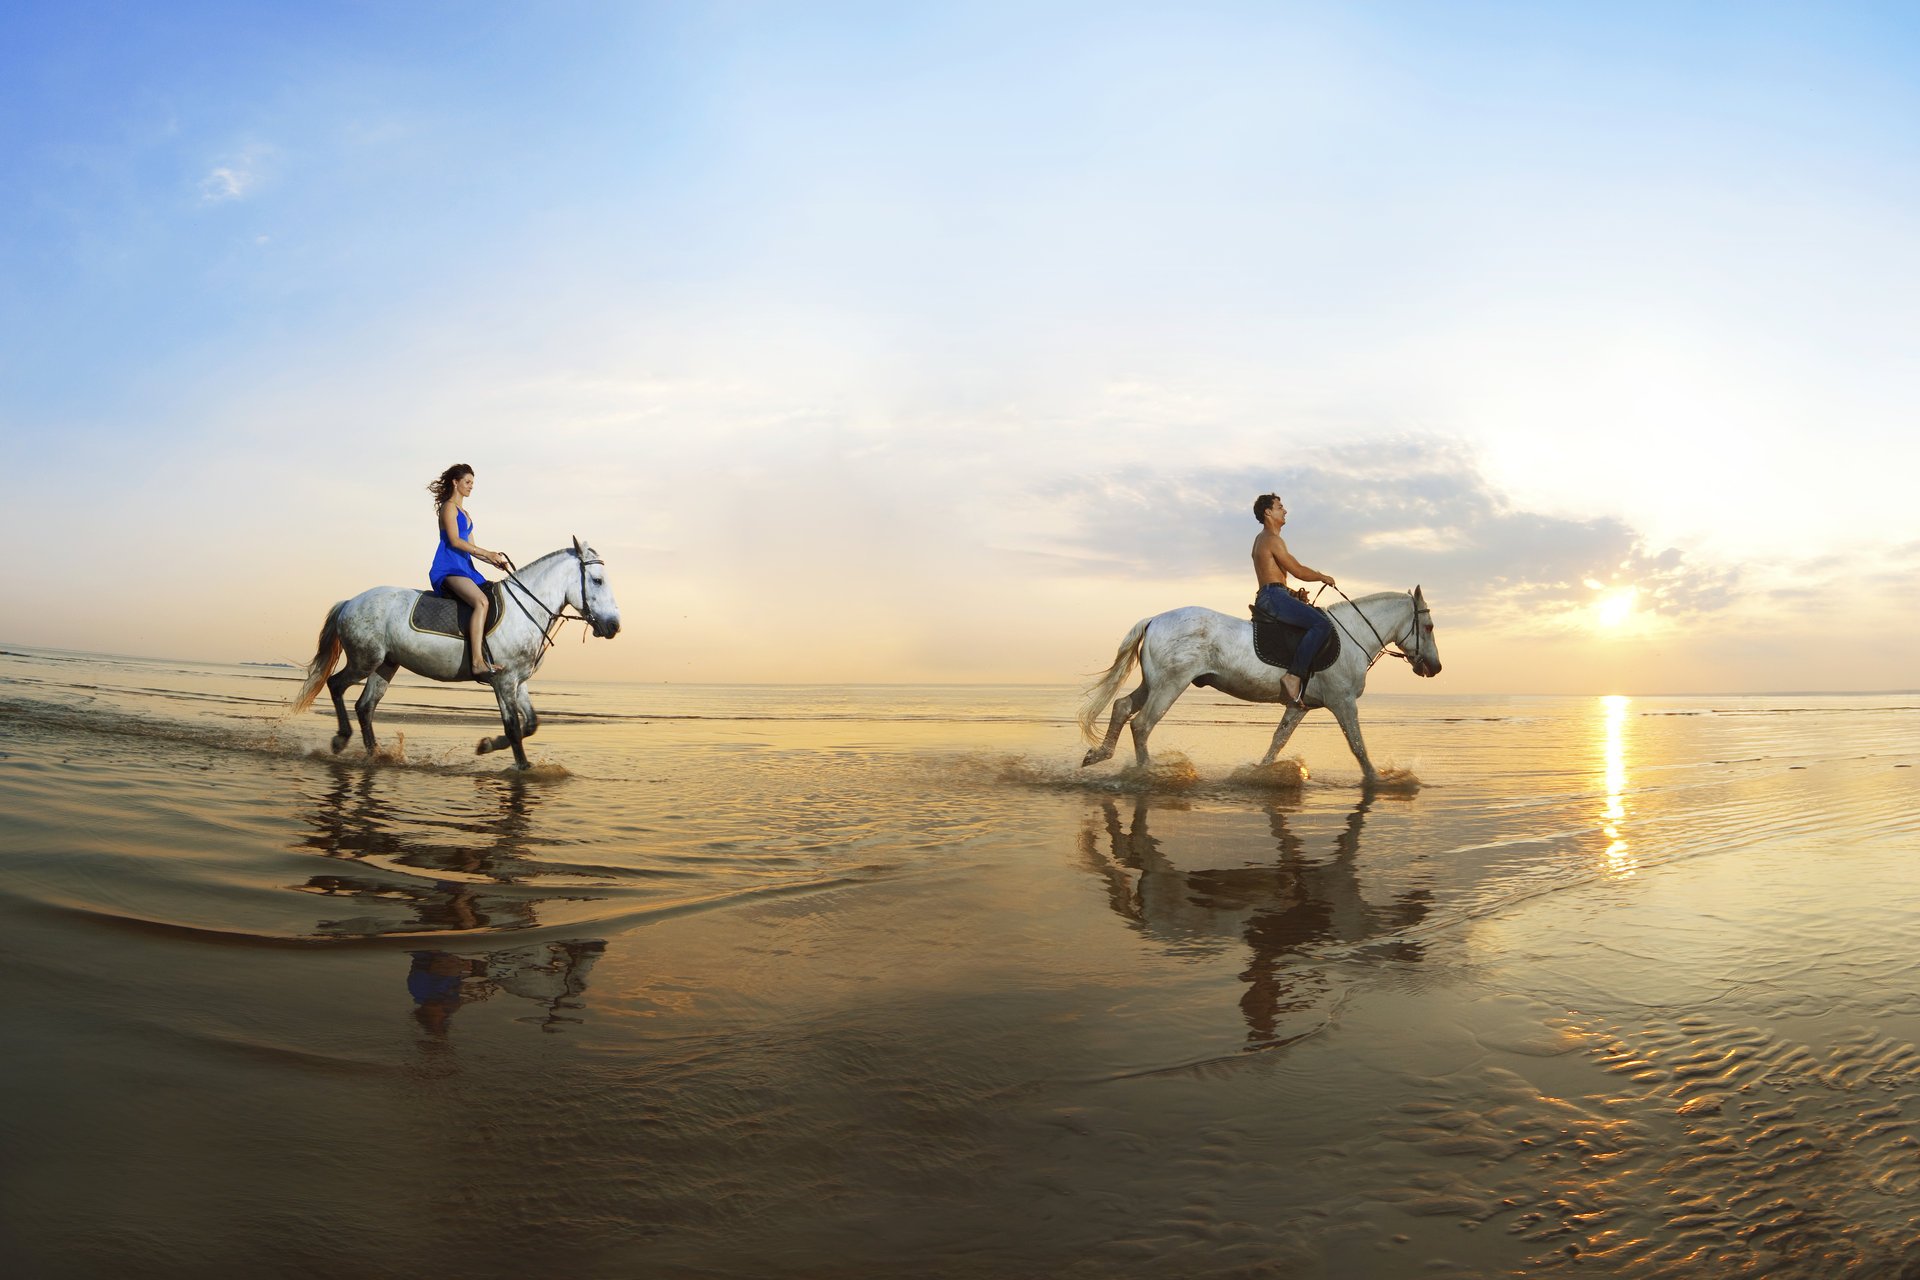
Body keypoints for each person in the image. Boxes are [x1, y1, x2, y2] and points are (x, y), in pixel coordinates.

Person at [1251, 492, 1337, 707]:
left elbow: (1272, 576)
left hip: (1273, 594)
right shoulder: (1272, 539)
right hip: (1273, 596)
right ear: (1268, 512)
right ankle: (1293, 676)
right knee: (1321, 624)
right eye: (1280, 506)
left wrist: (1291, 593)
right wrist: (1322, 576)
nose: (1285, 510)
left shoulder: (1261, 539)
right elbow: (1297, 570)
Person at [427, 463, 510, 679]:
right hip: (449, 567)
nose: (471, 486)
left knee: (491, 598)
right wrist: (487, 552)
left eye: (473, 483)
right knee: (481, 601)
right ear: (455, 482)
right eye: (468, 482)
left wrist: (493, 560)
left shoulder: (466, 513)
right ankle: (477, 663)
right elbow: (455, 541)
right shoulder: (448, 508)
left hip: (465, 568)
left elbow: (472, 548)